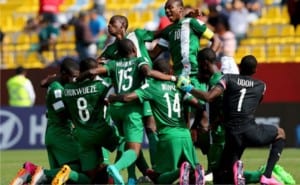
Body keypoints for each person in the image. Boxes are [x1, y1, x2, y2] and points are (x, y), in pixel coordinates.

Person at [178, 55, 286, 185]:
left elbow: (209, 97)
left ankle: (235, 171)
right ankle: (266, 175)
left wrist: (188, 88)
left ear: (239, 67)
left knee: (220, 175)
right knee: (280, 133)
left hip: (232, 134)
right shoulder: (261, 86)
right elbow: (250, 106)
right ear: (255, 70)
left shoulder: (228, 79)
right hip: (250, 131)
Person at [81, 39, 176, 185]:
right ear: (133, 49)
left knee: (126, 144)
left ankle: (131, 178)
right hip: (132, 108)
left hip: (116, 109)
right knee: (134, 149)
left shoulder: (114, 63)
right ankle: (116, 167)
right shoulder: (139, 61)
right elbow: (148, 72)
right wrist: (171, 78)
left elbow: (94, 70)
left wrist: (77, 79)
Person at [108, 59, 205, 185]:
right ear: (169, 71)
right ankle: (190, 170)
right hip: (185, 135)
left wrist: (113, 97)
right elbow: (199, 105)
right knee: (192, 173)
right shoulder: (179, 86)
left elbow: (127, 97)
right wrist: (194, 126)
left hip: (168, 136)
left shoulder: (152, 86)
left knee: (159, 179)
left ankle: (179, 172)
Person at [9, 58, 91, 185]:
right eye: (72, 77)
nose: (74, 80)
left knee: (59, 177)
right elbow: (62, 111)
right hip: (62, 134)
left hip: (54, 133)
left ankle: (28, 175)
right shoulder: (57, 90)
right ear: (64, 74)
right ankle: (33, 171)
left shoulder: (59, 85)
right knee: (83, 172)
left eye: (77, 77)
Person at [57, 57, 122, 184]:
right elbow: (113, 98)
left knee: (91, 177)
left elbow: (61, 110)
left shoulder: (67, 89)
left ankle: (69, 174)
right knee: (127, 144)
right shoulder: (100, 85)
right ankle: (117, 169)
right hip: (101, 131)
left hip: (82, 136)